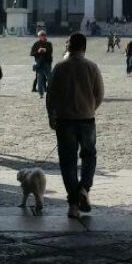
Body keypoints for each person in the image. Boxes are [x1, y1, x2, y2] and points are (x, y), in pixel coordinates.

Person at [46, 32, 104, 219]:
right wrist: (89, 108)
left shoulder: (59, 67)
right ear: (84, 47)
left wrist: (51, 116)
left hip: (65, 120)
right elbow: (100, 94)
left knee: (67, 161)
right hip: (87, 119)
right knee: (89, 156)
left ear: (67, 46)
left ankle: (73, 204)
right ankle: (84, 188)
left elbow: (51, 95)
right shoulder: (92, 67)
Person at [31, 30, 53, 97]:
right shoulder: (36, 44)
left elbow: (50, 51)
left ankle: (50, 92)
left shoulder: (49, 44)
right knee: (39, 79)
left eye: (44, 35)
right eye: (41, 36)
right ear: (39, 37)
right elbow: (32, 53)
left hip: (47, 63)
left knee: (49, 78)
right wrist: (38, 51)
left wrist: (45, 50)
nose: (43, 37)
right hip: (39, 64)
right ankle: (41, 94)